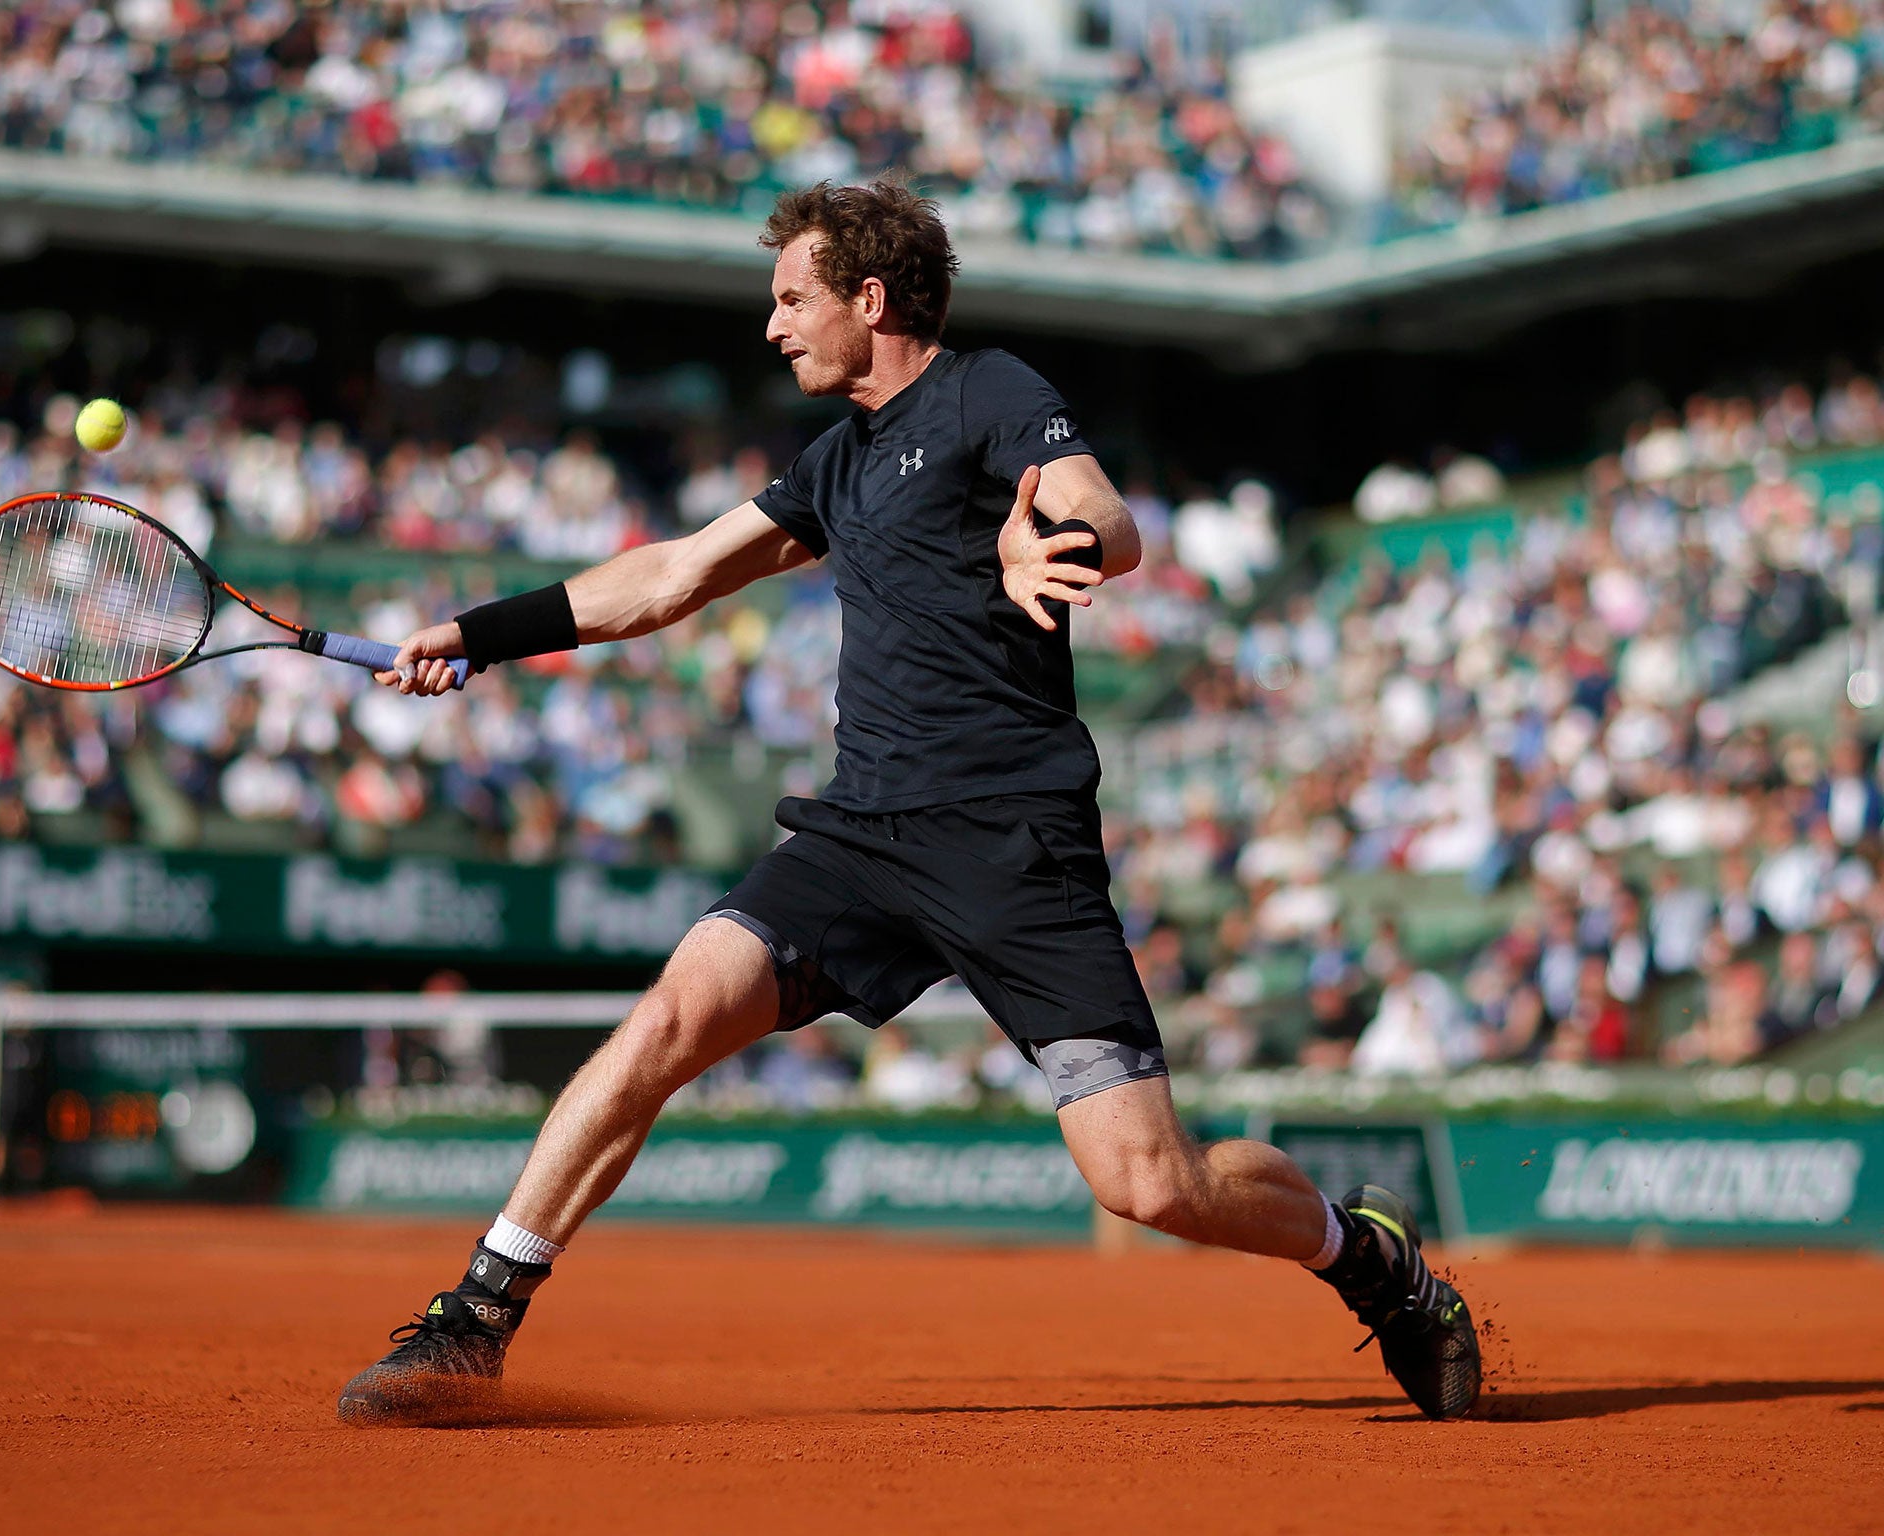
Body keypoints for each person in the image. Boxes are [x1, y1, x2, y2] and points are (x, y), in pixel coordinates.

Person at [339, 180, 1481, 1425]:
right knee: (667, 1018)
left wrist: (1055, 544)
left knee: (1147, 1184)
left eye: (792, 299)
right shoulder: (834, 462)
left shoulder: (988, 392)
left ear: (868, 299)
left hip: (1010, 842)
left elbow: (1106, 518)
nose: (772, 326)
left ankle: (1368, 1258)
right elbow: (669, 577)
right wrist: (479, 634)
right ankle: (475, 1319)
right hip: (860, 837)